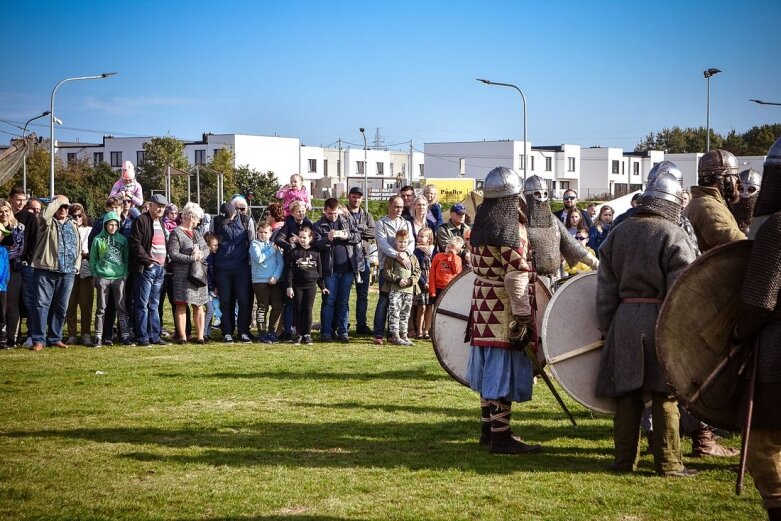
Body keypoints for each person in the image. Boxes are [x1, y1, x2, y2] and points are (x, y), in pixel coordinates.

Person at [596, 172, 698, 477]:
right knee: (664, 394)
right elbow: (682, 291)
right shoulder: (673, 234)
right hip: (661, 322)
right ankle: (669, 464)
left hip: (624, 321)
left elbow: (605, 290)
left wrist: (608, 326)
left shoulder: (618, 232)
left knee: (627, 394)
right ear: (671, 203)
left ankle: (624, 462)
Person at [466, 166, 541, 455]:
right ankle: (501, 437)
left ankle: (488, 429)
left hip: (481, 303)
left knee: (487, 369)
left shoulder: (479, 228)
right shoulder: (512, 229)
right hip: (503, 306)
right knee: (501, 371)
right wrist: (523, 316)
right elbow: (516, 275)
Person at [738, 137, 781, 520]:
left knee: (765, 442)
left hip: (778, 352)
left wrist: (739, 332)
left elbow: (758, 301)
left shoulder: (778, 228)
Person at [522, 175, 598, 282]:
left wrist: (595, 263)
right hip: (530, 280)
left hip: (554, 277)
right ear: (527, 195)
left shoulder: (553, 220)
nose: (541, 197)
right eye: (537, 193)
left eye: (544, 193)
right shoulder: (522, 222)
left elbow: (572, 245)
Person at [30, 195, 81, 351]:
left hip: (68, 272)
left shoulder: (72, 225)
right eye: (60, 207)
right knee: (41, 305)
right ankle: (39, 339)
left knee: (61, 307)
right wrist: (58, 200)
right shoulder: (47, 222)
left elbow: (78, 247)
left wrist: (76, 266)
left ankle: (55, 337)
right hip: (46, 269)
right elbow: (45, 215)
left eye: (66, 207)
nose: (64, 210)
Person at [312, 198, 362, 342]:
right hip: (329, 271)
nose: (333, 216)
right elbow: (314, 245)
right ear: (324, 210)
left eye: (335, 213)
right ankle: (326, 332)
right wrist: (326, 238)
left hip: (347, 268)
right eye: (330, 213)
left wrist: (348, 236)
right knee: (328, 301)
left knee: (343, 302)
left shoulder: (347, 220)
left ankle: (343, 331)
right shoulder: (319, 225)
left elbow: (358, 236)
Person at [130, 193, 171, 347]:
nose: (161, 209)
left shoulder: (160, 222)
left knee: (154, 304)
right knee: (142, 304)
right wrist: (148, 262)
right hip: (147, 269)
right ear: (150, 205)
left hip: (160, 269)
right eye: (158, 206)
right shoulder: (141, 220)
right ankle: (142, 337)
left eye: (163, 207)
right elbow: (135, 244)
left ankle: (155, 336)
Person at [684, 149, 745, 252]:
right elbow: (737, 244)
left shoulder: (700, 202)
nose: (738, 182)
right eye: (734, 176)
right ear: (722, 178)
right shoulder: (708, 206)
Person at [372, 196, 414, 345]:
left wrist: (406, 254)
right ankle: (378, 333)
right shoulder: (381, 223)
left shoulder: (406, 223)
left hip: (403, 268)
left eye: (401, 207)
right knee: (384, 300)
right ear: (389, 206)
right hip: (387, 266)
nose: (398, 210)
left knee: (399, 303)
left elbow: (411, 242)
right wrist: (397, 255)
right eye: (396, 206)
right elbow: (382, 244)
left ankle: (394, 333)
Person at [89, 209, 134, 347]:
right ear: (105, 225)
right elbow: (93, 259)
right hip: (102, 277)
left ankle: (125, 335)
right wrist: (95, 275)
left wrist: (125, 275)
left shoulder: (123, 240)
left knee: (121, 307)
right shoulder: (97, 240)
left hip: (119, 277)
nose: (113, 227)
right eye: (110, 224)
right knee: (101, 308)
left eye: (116, 224)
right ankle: (98, 336)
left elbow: (126, 259)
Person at [167, 202, 209, 344]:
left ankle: (200, 336)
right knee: (181, 305)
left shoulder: (197, 233)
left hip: (198, 275)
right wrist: (192, 258)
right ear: (191, 216)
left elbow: (207, 249)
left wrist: (201, 253)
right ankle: (183, 336)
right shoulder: (176, 232)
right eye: (197, 218)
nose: (198, 221)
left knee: (199, 305)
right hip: (182, 275)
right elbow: (173, 254)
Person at [213, 202, 253, 343]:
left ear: (234, 212)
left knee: (243, 300)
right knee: (225, 301)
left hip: (241, 267)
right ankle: (227, 332)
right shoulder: (216, 221)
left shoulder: (246, 220)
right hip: (222, 267)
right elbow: (212, 241)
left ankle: (243, 331)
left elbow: (252, 241)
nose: (226, 221)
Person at [274, 200, 315, 341]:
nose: (301, 213)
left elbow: (316, 240)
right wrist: (290, 245)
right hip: (292, 266)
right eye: (298, 211)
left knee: (305, 305)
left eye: (303, 210)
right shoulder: (288, 224)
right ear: (293, 212)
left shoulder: (309, 224)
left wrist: (302, 241)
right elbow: (278, 239)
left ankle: (304, 331)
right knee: (290, 303)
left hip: (306, 267)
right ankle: (288, 330)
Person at [284, 226, 327, 345]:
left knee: (308, 310)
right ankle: (299, 334)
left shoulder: (316, 253)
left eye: (304, 237)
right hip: (297, 286)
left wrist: (322, 286)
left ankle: (307, 335)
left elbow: (319, 272)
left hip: (311, 286)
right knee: (298, 310)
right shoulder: (294, 252)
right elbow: (290, 272)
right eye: (300, 237)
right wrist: (289, 287)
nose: (302, 239)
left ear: (310, 238)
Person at [9, 187, 37, 348]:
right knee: (11, 301)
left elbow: (34, 241)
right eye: (18, 199)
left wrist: (26, 260)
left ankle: (31, 334)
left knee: (28, 300)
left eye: (23, 199)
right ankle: (12, 333)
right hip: (8, 264)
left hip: (25, 266)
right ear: (11, 198)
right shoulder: (5, 215)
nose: (21, 203)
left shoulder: (30, 218)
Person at [382, 229, 420, 346]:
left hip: (408, 291)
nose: (402, 244)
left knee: (405, 313)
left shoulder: (413, 257)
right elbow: (386, 271)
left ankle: (404, 334)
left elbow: (417, 272)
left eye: (404, 242)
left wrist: (409, 281)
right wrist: (398, 279)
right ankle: (395, 335)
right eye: (400, 242)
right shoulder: (391, 256)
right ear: (396, 241)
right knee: (395, 312)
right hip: (395, 290)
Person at [345, 187, 375, 335]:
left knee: (362, 295)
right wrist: (360, 231)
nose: (356, 199)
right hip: (347, 258)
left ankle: (361, 324)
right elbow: (343, 233)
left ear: (362, 199)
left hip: (363, 258)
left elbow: (373, 232)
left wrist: (355, 231)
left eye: (359, 197)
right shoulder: (342, 213)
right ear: (348, 196)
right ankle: (343, 324)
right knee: (344, 294)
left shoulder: (367, 215)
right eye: (354, 196)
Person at [250, 221, 284, 343]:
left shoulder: (274, 245)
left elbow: (281, 263)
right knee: (262, 307)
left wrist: (275, 276)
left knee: (277, 306)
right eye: (261, 232)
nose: (263, 235)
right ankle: (262, 333)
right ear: (257, 233)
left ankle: (272, 331)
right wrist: (272, 251)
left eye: (266, 232)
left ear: (270, 233)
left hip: (274, 281)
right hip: (260, 281)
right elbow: (259, 258)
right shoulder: (254, 244)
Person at [65, 204, 94, 346]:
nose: (77, 218)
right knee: (70, 304)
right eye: (74, 216)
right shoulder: (67, 230)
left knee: (86, 304)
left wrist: (86, 254)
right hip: (70, 269)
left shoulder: (90, 230)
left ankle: (86, 333)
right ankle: (71, 334)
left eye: (79, 215)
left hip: (86, 269)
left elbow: (93, 250)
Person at [0, 197, 25, 347]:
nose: (3, 215)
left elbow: (18, 249)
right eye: (0, 212)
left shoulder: (18, 227)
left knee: (12, 305)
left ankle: (12, 337)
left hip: (13, 268)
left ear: (10, 212)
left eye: (6, 211)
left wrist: (2, 253)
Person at [413, 228, 435, 340]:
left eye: (423, 236)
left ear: (429, 239)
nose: (420, 238)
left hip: (431, 279)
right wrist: (423, 282)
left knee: (430, 306)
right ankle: (419, 330)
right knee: (422, 306)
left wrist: (431, 281)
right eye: (419, 236)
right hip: (421, 280)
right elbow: (417, 268)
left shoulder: (433, 250)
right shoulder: (416, 251)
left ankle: (427, 330)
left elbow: (434, 266)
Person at [429, 236, 464, 301]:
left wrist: (453, 256)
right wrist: (432, 291)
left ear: (457, 251)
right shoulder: (438, 256)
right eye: (447, 247)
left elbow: (457, 271)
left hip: (451, 288)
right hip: (438, 287)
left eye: (451, 250)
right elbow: (432, 273)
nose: (448, 251)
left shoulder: (458, 259)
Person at [731, 167, 762, 235]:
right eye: (741, 188)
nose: (745, 194)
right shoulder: (728, 209)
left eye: (751, 189)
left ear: (758, 191)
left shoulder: (762, 214)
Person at [203, 233, 220, 340]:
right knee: (209, 310)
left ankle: (207, 332)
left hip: (211, 288)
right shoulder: (207, 258)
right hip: (206, 288)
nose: (216, 247)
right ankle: (204, 332)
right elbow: (209, 274)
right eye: (214, 245)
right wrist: (212, 287)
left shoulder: (214, 257)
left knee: (212, 310)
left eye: (217, 245)